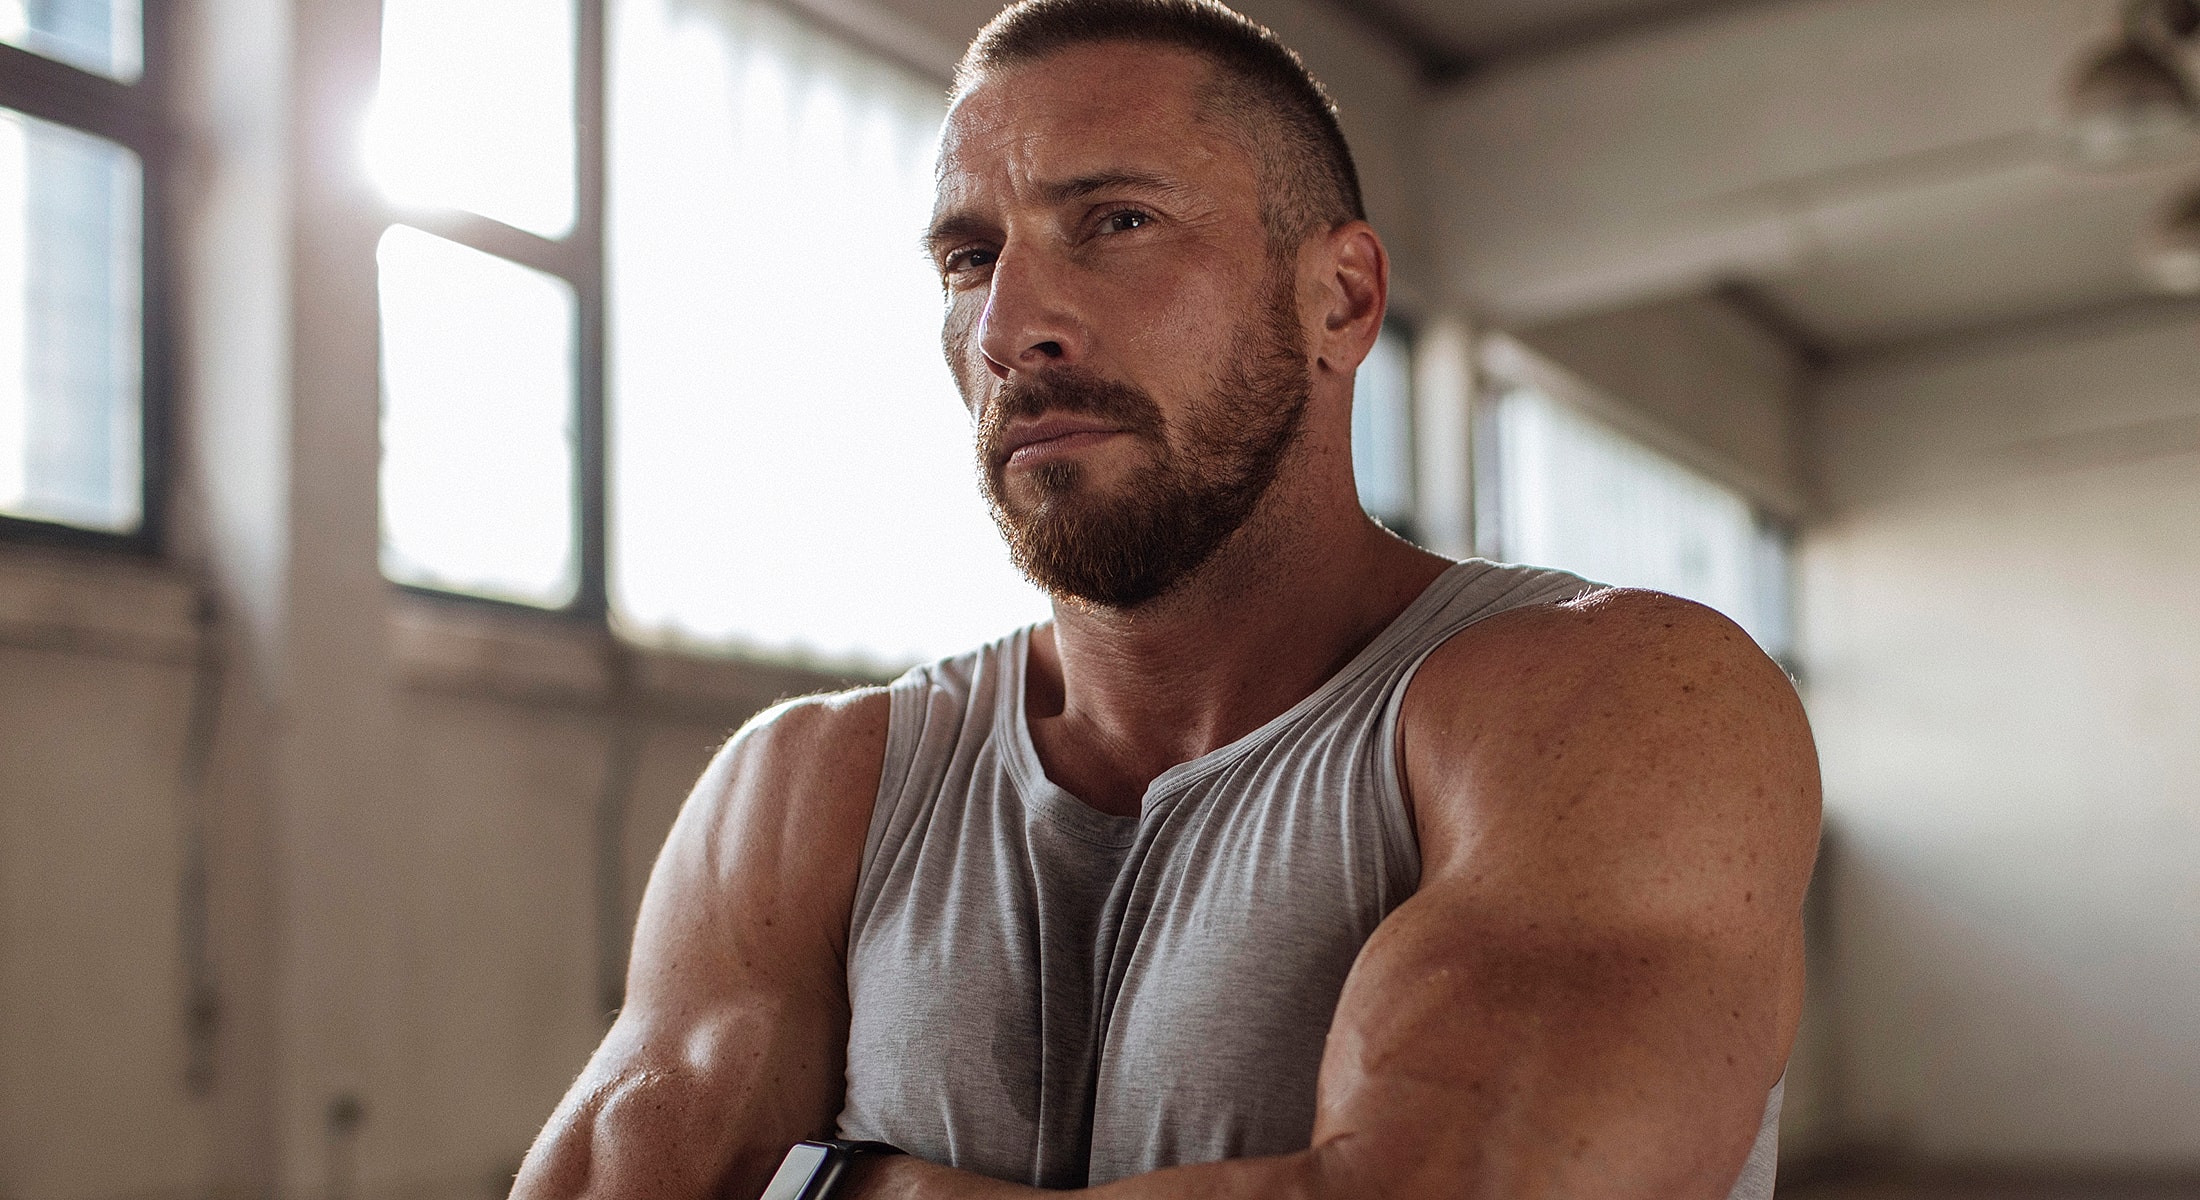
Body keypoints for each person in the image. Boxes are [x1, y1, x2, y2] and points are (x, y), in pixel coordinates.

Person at [509, 0, 1822, 1197]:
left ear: (1342, 297)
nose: (1012, 323)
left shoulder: (1621, 701)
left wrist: (844, 1186)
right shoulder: (810, 788)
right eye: (969, 258)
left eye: (1116, 223)